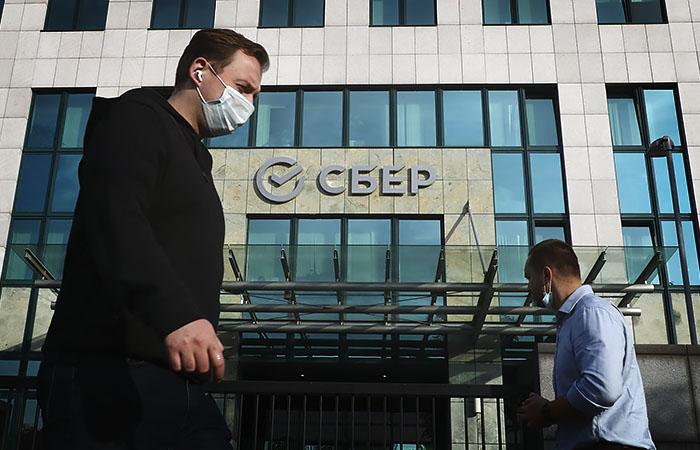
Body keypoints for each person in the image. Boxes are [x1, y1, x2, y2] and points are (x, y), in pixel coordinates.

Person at [37, 29, 268, 449]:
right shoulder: (136, 118)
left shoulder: (195, 155)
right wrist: (175, 315)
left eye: (255, 94)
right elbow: (117, 220)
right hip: (109, 371)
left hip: (180, 382)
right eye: (243, 87)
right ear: (200, 70)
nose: (250, 104)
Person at [516, 239, 655, 450]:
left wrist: (547, 411)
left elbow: (600, 388)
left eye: (529, 277)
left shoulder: (590, 313)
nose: (528, 287)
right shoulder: (575, 319)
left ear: (546, 275)